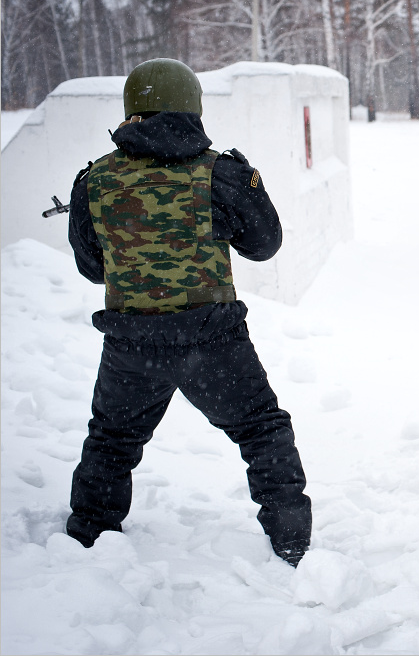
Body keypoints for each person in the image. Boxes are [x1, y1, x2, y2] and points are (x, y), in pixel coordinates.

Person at [65, 58, 312, 567]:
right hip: (213, 341)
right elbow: (264, 246)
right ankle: (290, 540)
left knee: (111, 441)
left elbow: (92, 268)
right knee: (262, 430)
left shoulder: (94, 180)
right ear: (193, 108)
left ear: (132, 110)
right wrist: (244, 189)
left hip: (132, 345)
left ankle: (86, 539)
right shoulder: (219, 171)